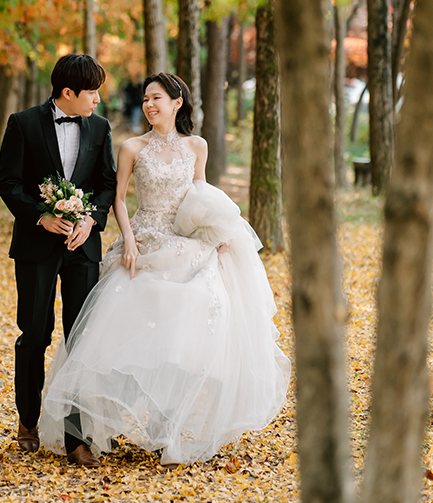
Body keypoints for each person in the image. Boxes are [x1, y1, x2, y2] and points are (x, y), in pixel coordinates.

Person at [38, 73, 290, 466]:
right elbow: (119, 199)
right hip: (143, 240)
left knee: (184, 338)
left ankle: (166, 428)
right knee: (119, 329)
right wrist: (131, 241)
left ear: (177, 102)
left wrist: (217, 232)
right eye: (145, 99)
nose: (149, 105)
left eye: (157, 98)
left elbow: (200, 194)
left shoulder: (197, 145)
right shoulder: (132, 147)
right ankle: (90, 427)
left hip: (185, 243)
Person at [0, 54, 119, 468]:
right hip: (35, 246)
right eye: (92, 92)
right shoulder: (23, 123)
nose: (98, 100)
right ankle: (27, 420)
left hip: (82, 250)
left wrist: (91, 221)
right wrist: (40, 215)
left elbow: (106, 185)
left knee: (81, 338)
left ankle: (76, 436)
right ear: (68, 93)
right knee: (34, 332)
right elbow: (7, 182)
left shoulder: (100, 128)